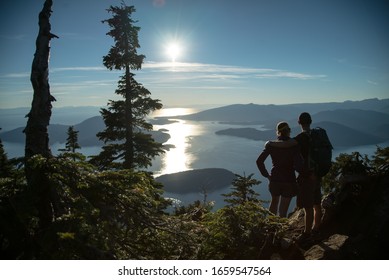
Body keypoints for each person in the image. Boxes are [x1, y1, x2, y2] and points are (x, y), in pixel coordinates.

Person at [256, 122, 303, 217]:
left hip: (275, 179)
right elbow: (299, 165)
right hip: (289, 180)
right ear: (289, 131)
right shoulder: (294, 146)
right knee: (283, 212)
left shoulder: (272, 145)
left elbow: (259, 161)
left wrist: (267, 176)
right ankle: (280, 230)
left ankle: (270, 229)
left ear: (278, 132)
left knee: (273, 204)